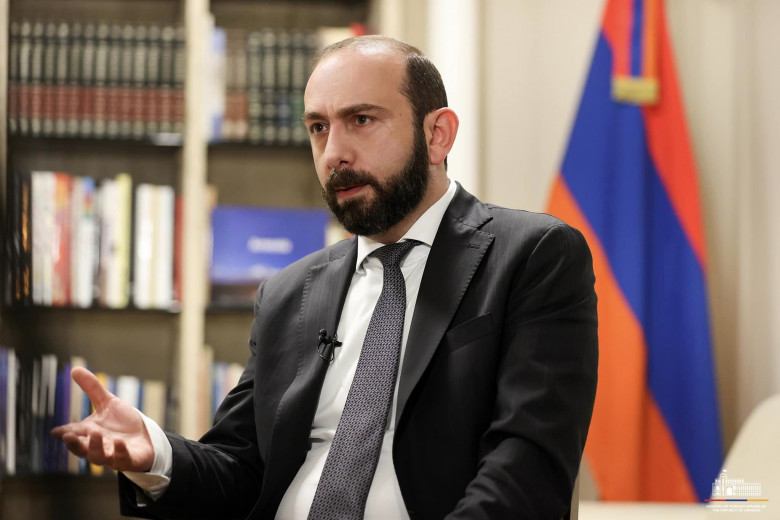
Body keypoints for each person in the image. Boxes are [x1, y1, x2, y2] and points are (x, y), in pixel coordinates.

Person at [52, 35, 598, 520]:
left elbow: (526, 469)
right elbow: (241, 473)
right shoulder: (287, 293)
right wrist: (157, 454)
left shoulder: (532, 255)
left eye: (361, 120)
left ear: (437, 135)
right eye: (318, 127)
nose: (334, 152)